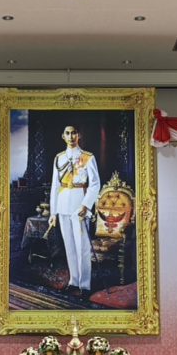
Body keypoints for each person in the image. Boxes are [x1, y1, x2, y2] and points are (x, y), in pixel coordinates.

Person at [47, 124, 101, 295]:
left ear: (79, 135)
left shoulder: (88, 157)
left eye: (74, 133)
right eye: (68, 133)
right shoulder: (59, 158)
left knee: (82, 246)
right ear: (63, 136)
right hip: (63, 204)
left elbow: (95, 184)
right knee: (69, 245)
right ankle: (73, 281)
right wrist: (53, 212)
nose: (71, 136)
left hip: (80, 205)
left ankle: (84, 285)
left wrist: (86, 205)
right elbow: (55, 186)